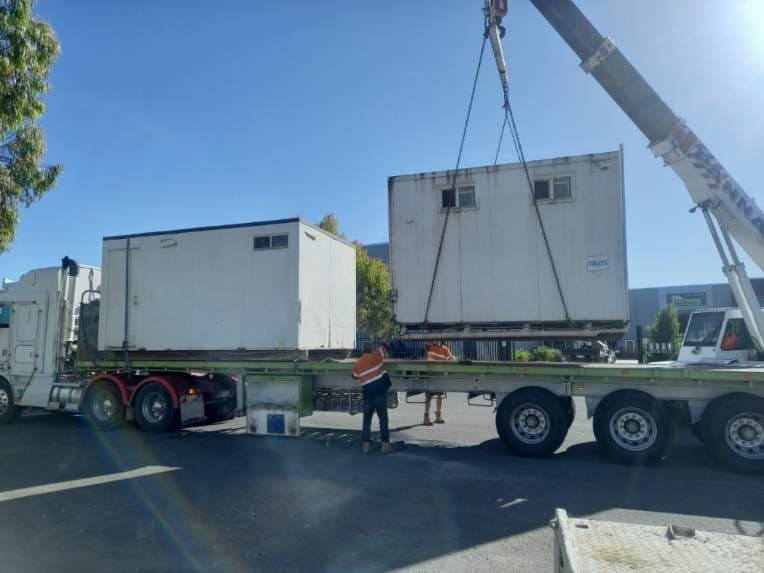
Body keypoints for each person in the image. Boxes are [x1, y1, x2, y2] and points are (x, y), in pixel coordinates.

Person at [352, 342, 393, 454]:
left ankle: (365, 445)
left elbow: (354, 376)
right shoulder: (376, 355)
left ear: (362, 351)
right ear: (371, 349)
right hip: (380, 394)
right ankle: (385, 445)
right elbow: (386, 347)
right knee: (383, 420)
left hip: (368, 397)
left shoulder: (358, 363)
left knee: (367, 421)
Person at [424, 341, 454, 426]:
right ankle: (426, 417)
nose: (436, 341)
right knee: (429, 396)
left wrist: (450, 358)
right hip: (431, 373)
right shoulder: (430, 346)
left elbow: (450, 356)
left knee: (440, 396)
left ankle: (438, 416)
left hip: (440, 373)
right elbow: (427, 347)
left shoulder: (444, 348)